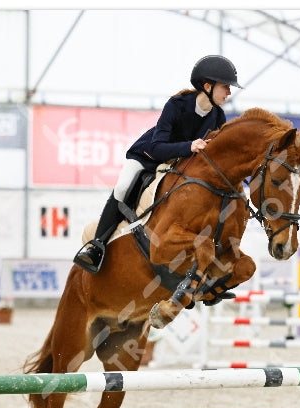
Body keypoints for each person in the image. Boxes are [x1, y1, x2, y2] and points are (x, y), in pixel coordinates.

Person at [74, 55, 243, 273]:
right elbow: (156, 147)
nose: (229, 92)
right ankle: (95, 246)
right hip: (147, 157)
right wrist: (189, 146)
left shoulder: (218, 116)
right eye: (225, 87)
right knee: (124, 186)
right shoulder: (176, 105)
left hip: (179, 166)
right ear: (207, 86)